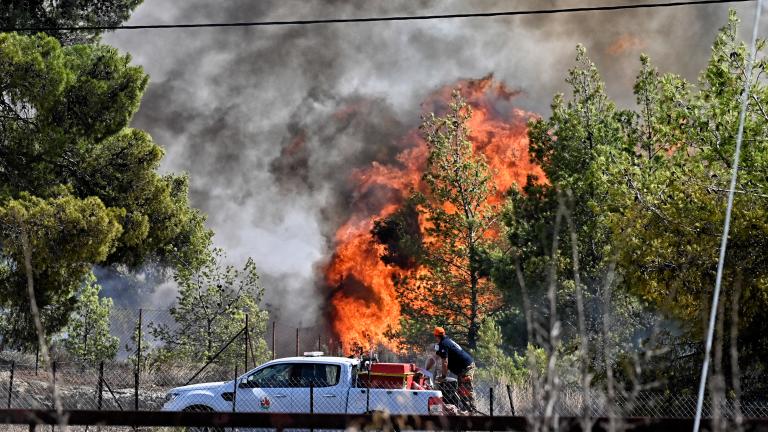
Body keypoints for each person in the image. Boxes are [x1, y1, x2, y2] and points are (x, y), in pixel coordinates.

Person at [432, 326, 476, 413]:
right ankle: (466, 410)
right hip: (463, 369)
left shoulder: (444, 344)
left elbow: (445, 362)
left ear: (436, 336)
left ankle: (472, 412)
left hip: (466, 368)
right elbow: (434, 358)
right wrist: (426, 369)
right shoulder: (444, 342)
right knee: (461, 391)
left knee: (466, 391)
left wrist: (443, 376)